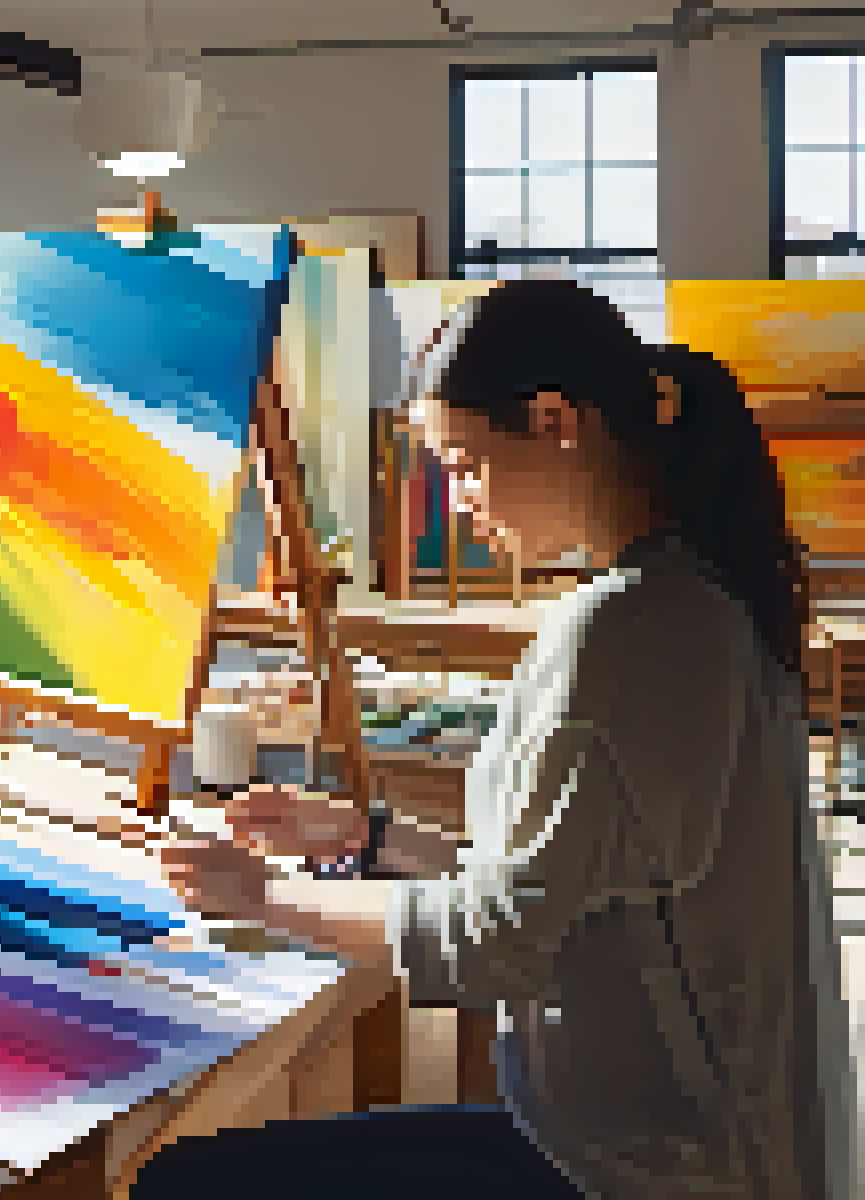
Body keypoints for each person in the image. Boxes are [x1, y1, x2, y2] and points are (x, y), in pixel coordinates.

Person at [146, 280, 853, 1200]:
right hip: (685, 1147)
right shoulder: (691, 601)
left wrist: (266, 896)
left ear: (556, 421)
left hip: (646, 1172)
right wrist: (365, 840)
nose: (461, 501)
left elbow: (498, 944)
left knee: (185, 1186)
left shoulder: (630, 630)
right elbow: (571, 882)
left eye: (467, 464)